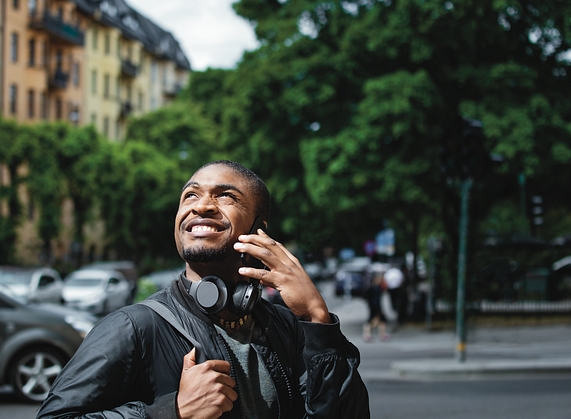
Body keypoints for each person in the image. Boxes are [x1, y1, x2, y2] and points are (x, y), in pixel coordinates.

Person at [37, 160, 370, 419]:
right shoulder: (133, 327)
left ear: (259, 231)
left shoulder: (286, 326)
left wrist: (316, 318)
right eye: (191, 195)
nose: (202, 205)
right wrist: (171, 411)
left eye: (226, 196)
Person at [363, 269, 389, 342]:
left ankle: (378, 334)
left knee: (379, 320)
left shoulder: (373, 287)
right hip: (375, 306)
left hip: (373, 306)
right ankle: (368, 335)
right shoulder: (376, 288)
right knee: (373, 320)